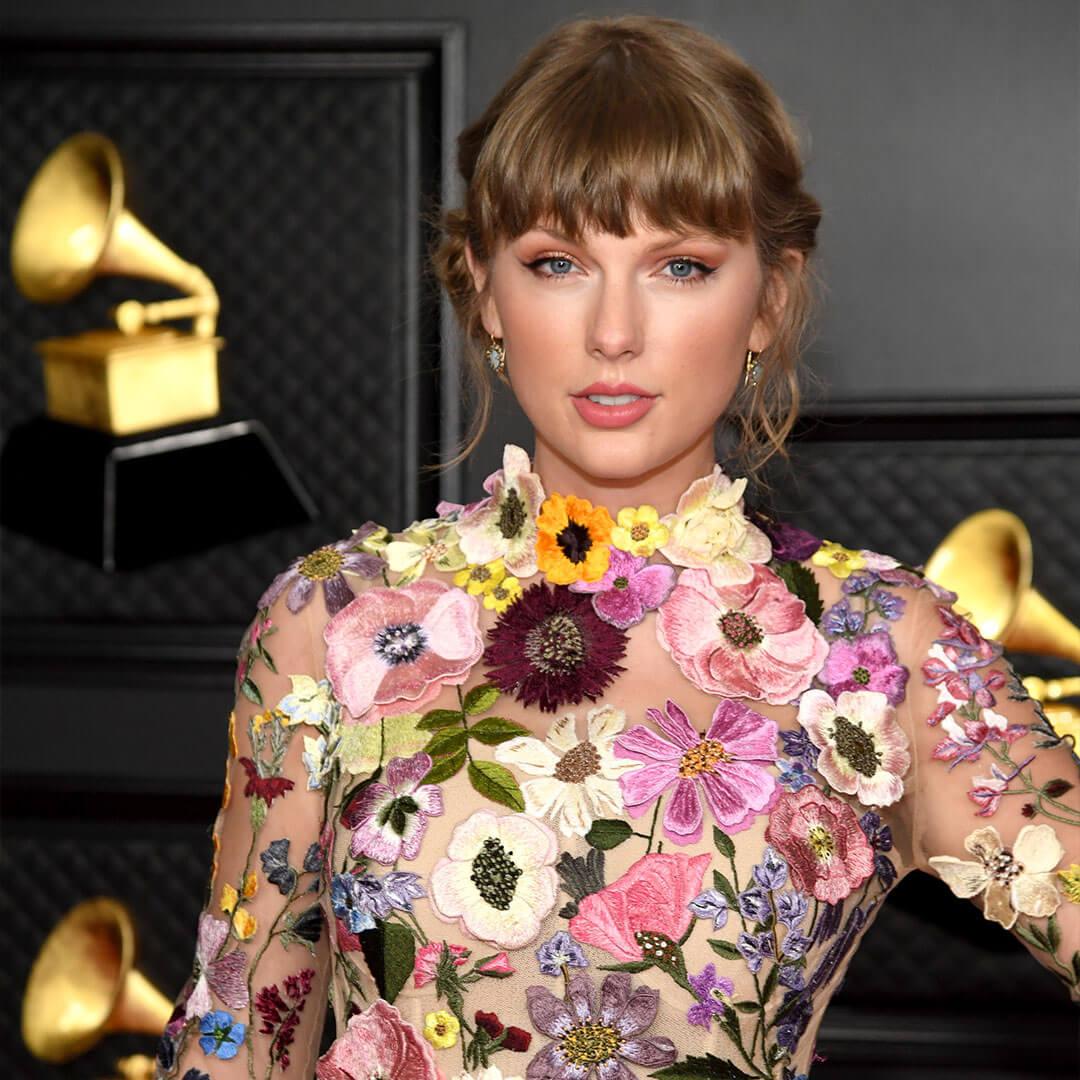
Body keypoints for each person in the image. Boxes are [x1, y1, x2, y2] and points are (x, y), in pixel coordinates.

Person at [154, 15, 1080, 1080]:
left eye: (680, 267)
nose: (613, 332)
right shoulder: (330, 625)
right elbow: (231, 1040)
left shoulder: (877, 648)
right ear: (485, 287)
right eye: (557, 262)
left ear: (769, 300)